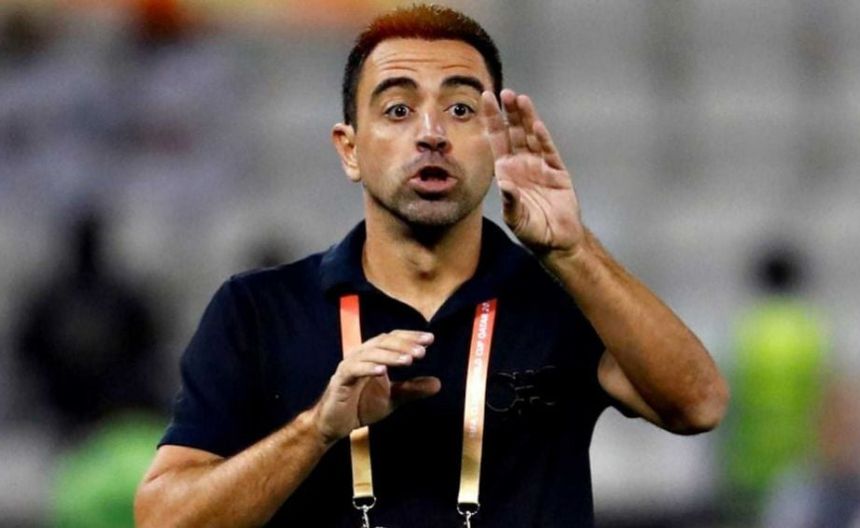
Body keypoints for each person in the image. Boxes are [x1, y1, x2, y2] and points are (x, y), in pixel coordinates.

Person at [134, 5, 729, 527]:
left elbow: (698, 405)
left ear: (495, 141)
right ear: (349, 149)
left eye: (462, 109)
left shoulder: (565, 299)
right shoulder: (259, 311)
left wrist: (574, 251)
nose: (432, 134)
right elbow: (164, 519)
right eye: (398, 109)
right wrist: (316, 429)